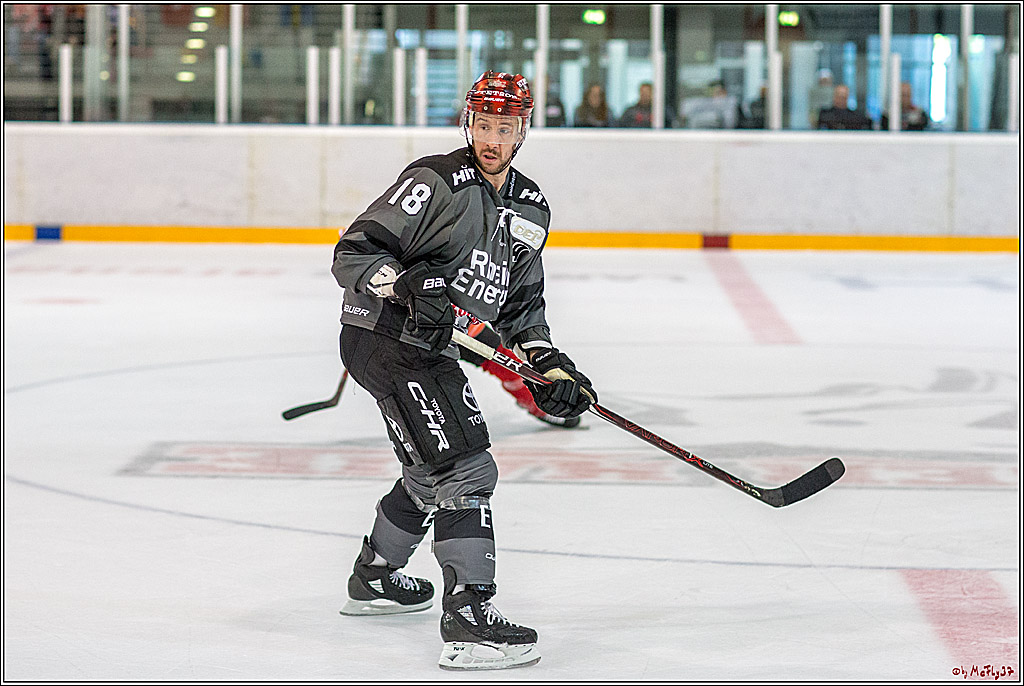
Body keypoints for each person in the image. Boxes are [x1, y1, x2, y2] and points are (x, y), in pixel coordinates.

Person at [330, 71, 597, 671]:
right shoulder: (435, 180)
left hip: (431, 351)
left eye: (504, 127)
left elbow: (523, 307)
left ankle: (374, 577)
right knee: (466, 467)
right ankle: (470, 619)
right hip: (387, 339)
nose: (491, 138)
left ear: (523, 130)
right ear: (467, 122)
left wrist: (546, 364)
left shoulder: (531, 208)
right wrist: (400, 281)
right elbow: (353, 251)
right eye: (482, 124)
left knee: (431, 475)